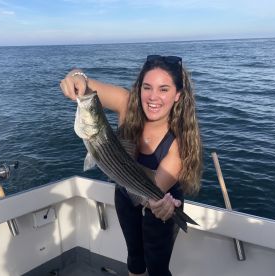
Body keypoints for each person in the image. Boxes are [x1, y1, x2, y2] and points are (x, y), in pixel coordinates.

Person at [59, 55, 203, 276]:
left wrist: (159, 205)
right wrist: (75, 76)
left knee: (157, 267)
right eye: (147, 87)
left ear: (177, 95)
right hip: (125, 194)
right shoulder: (126, 104)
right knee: (134, 258)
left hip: (162, 201)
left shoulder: (180, 145)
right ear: (139, 89)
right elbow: (86, 85)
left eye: (163, 89)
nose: (153, 97)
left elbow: (154, 187)